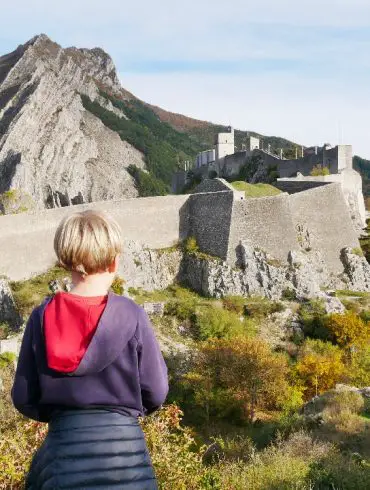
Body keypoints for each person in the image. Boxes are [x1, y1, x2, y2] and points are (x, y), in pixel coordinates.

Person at [11, 210, 168, 489]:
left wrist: (61, 417)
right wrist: (125, 413)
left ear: (64, 260)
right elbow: (156, 391)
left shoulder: (41, 317)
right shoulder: (132, 315)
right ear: (114, 261)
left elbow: (24, 396)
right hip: (126, 462)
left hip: (63, 460)